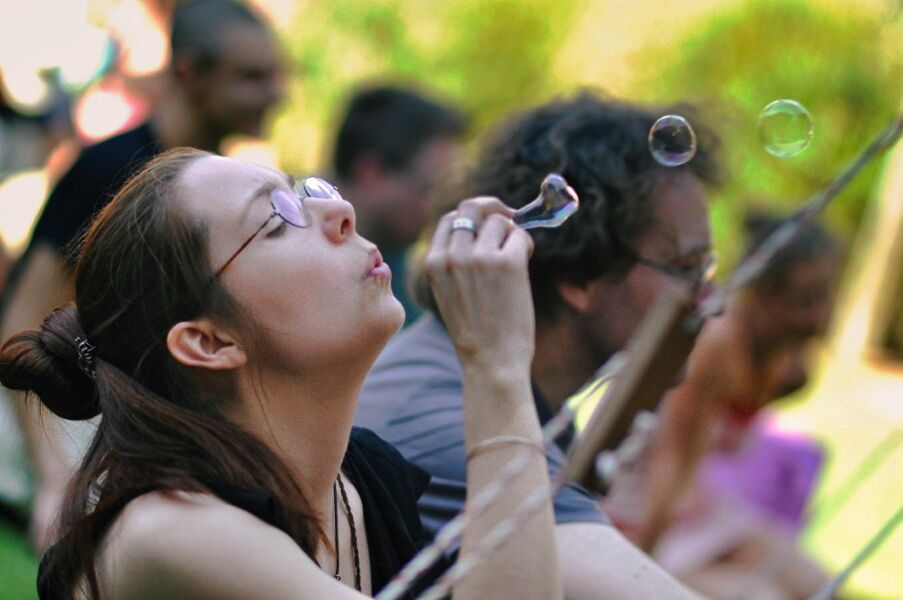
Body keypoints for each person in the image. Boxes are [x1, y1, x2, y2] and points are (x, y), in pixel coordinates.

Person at [0, 148, 561, 599]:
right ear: (209, 341)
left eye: (306, 193)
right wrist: (497, 364)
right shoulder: (170, 531)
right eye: (280, 220)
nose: (342, 214)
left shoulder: (368, 483)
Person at [355, 92, 722, 598]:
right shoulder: (459, 420)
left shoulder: (496, 394)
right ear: (580, 276)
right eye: (687, 269)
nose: (714, 302)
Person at [0, 0, 285, 551]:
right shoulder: (116, 171)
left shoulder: (213, 182)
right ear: (188, 74)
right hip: (47, 425)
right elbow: (21, 325)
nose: (276, 93)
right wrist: (57, 481)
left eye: (276, 75)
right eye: (251, 77)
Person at [605, 214, 839, 599]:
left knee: (821, 586)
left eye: (826, 297)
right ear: (761, 291)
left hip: (699, 505)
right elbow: (672, 462)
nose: (819, 317)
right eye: (804, 301)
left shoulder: (780, 358)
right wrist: (636, 574)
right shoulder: (716, 345)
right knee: (763, 596)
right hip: (642, 515)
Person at [331, 85, 466, 325]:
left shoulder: (394, 270)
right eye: (430, 190)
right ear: (370, 173)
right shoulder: (289, 265)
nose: (443, 210)